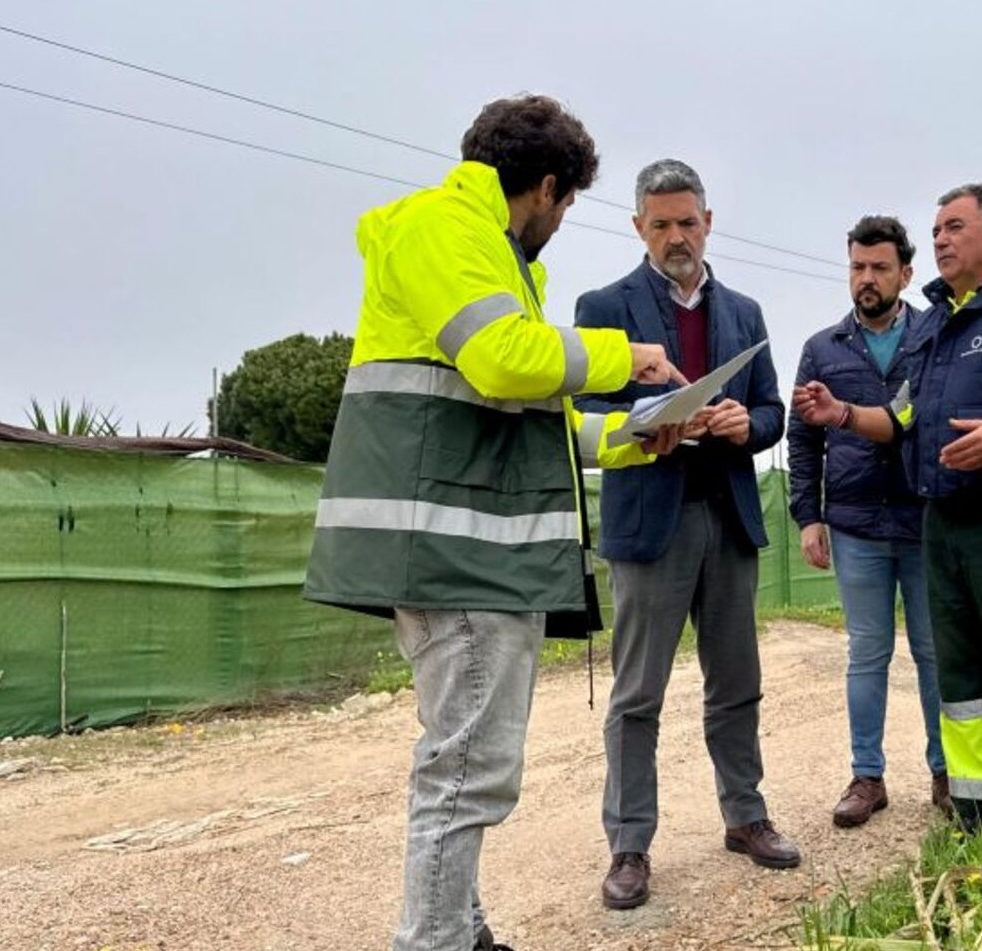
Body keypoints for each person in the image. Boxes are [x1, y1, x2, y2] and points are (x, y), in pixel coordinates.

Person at [303, 96, 686, 951]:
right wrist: (627, 355)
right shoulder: (444, 227)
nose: (559, 221)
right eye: (566, 204)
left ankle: (460, 927)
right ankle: (434, 940)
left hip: (465, 548)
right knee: (466, 769)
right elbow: (505, 362)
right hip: (454, 554)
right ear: (546, 186)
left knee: (463, 759)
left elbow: (518, 425)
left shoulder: (484, 255)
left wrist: (635, 437)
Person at [792, 183, 982, 832]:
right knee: (964, 684)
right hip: (946, 527)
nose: (940, 239)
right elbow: (901, 417)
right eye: (936, 229)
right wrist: (841, 413)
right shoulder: (936, 325)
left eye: (954, 226)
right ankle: (978, 818)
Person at [572, 159, 795, 910]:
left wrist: (744, 424)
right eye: (661, 223)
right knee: (638, 695)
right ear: (638, 226)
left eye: (687, 222)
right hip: (651, 523)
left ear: (708, 222)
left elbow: (773, 413)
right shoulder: (602, 305)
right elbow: (588, 412)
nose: (676, 236)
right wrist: (647, 427)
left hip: (727, 516)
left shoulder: (745, 311)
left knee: (737, 683)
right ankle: (629, 845)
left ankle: (746, 815)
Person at [787, 215, 948, 828]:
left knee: (935, 651)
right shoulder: (822, 349)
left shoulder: (933, 336)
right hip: (854, 523)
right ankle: (866, 776)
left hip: (924, 517)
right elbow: (803, 440)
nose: (867, 279)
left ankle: (945, 771)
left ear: (906, 274)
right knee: (867, 652)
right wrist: (808, 516)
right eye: (858, 267)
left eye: (880, 267)